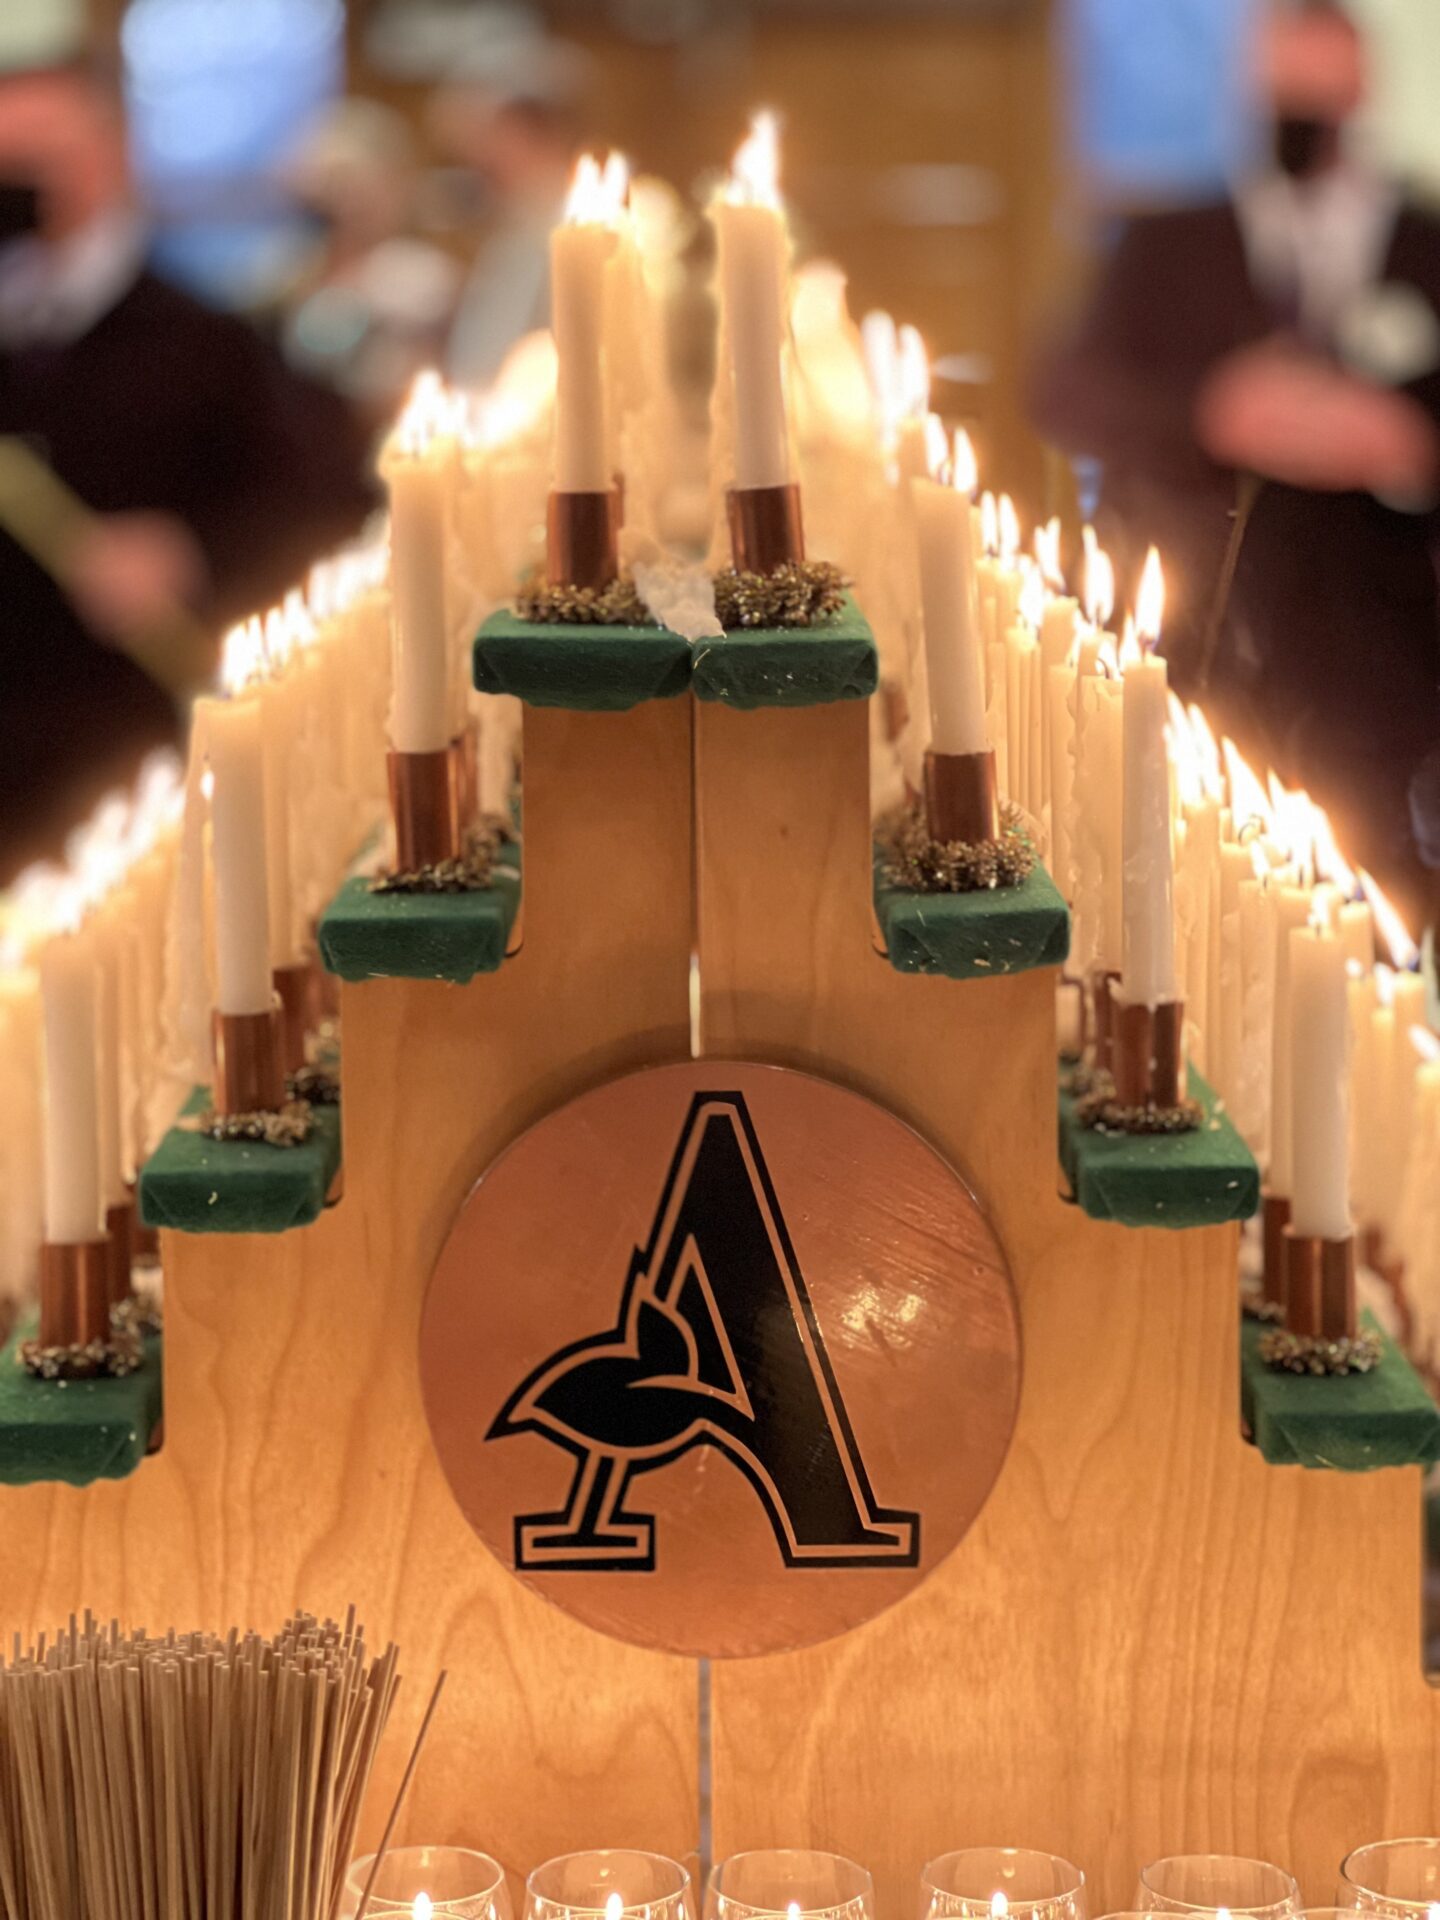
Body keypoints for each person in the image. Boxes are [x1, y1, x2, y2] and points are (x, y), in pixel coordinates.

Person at [1033, 0, 1440, 918]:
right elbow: (1065, 389)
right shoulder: (1170, 238)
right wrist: (1215, 412)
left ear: (1361, 98)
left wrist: (1399, 435)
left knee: (1371, 892)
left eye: (1320, 98)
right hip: (1199, 621)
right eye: (1281, 97)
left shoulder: (1424, 244)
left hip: (1378, 652)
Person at [0, 43, 377, 881]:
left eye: (35, 162)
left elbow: (317, 502)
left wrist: (192, 552)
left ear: (108, 156)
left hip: (115, 753)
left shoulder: (205, 344)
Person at [280, 98, 462, 428]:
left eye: (355, 183)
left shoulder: (416, 273)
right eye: (332, 183)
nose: (344, 200)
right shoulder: (302, 270)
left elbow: (415, 379)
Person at [432, 36, 587, 390]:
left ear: (522, 130)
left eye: (481, 135)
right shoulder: (517, 225)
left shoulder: (574, 230)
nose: (471, 160)